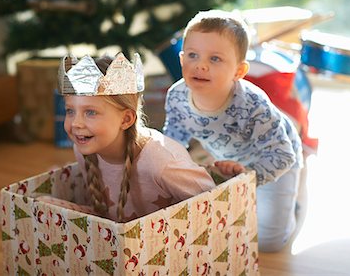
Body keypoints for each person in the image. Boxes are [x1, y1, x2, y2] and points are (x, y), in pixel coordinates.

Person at [163, 10, 303, 252]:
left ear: (239, 71)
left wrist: (247, 176)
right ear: (182, 60)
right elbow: (172, 140)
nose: (201, 66)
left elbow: (283, 156)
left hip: (274, 158)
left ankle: (294, 206)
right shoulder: (177, 96)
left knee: (269, 243)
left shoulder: (252, 104)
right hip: (229, 159)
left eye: (215, 59)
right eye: (193, 56)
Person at [40, 52, 236, 223]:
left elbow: (215, 201)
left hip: (161, 249)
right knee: (41, 203)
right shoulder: (84, 147)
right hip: (115, 237)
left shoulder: (161, 162)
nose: (75, 124)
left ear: (126, 119)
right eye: (70, 111)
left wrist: (229, 175)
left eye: (90, 112)